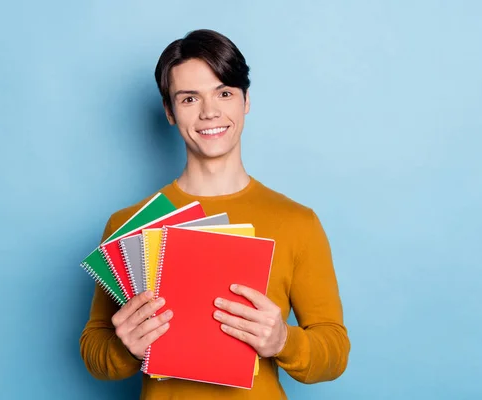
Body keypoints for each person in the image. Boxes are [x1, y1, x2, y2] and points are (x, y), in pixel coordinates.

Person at [79, 28, 350, 399]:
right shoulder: (131, 224)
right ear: (170, 112)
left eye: (224, 93)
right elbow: (94, 349)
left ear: (245, 101)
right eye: (189, 98)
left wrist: (283, 340)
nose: (210, 112)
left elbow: (334, 351)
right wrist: (124, 347)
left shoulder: (297, 222)